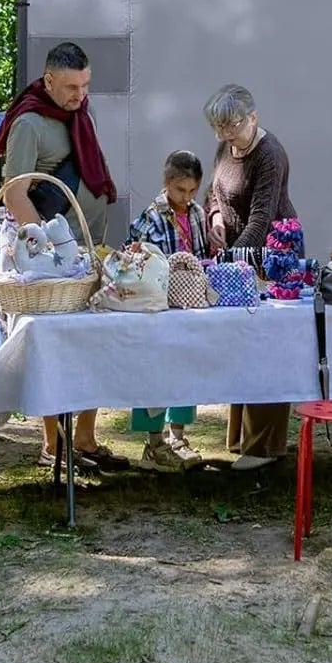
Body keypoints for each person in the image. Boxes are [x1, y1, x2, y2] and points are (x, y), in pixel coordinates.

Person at [0, 41, 127, 473]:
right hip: (53, 265)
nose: (80, 94)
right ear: (48, 80)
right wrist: (51, 252)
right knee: (55, 352)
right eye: (71, 86)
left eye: (85, 85)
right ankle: (53, 444)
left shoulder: (78, 116)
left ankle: (86, 439)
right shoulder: (29, 124)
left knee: (92, 347)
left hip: (88, 254)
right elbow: (16, 194)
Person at [204, 84, 295, 471]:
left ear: (253, 118)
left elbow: (262, 216)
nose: (226, 135)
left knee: (267, 345)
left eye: (233, 126)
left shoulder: (269, 154)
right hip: (237, 257)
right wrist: (214, 217)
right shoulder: (226, 146)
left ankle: (263, 445)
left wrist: (231, 259)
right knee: (241, 342)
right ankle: (241, 437)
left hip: (272, 257)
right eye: (219, 127)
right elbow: (214, 191)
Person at [127, 151, 208, 469]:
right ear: (166, 183)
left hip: (189, 305)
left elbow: (202, 253)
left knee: (186, 367)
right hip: (158, 306)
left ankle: (178, 436)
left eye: (191, 192)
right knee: (155, 370)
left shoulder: (198, 214)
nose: (185, 198)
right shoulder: (152, 216)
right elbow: (138, 259)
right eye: (179, 191)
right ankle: (154, 443)